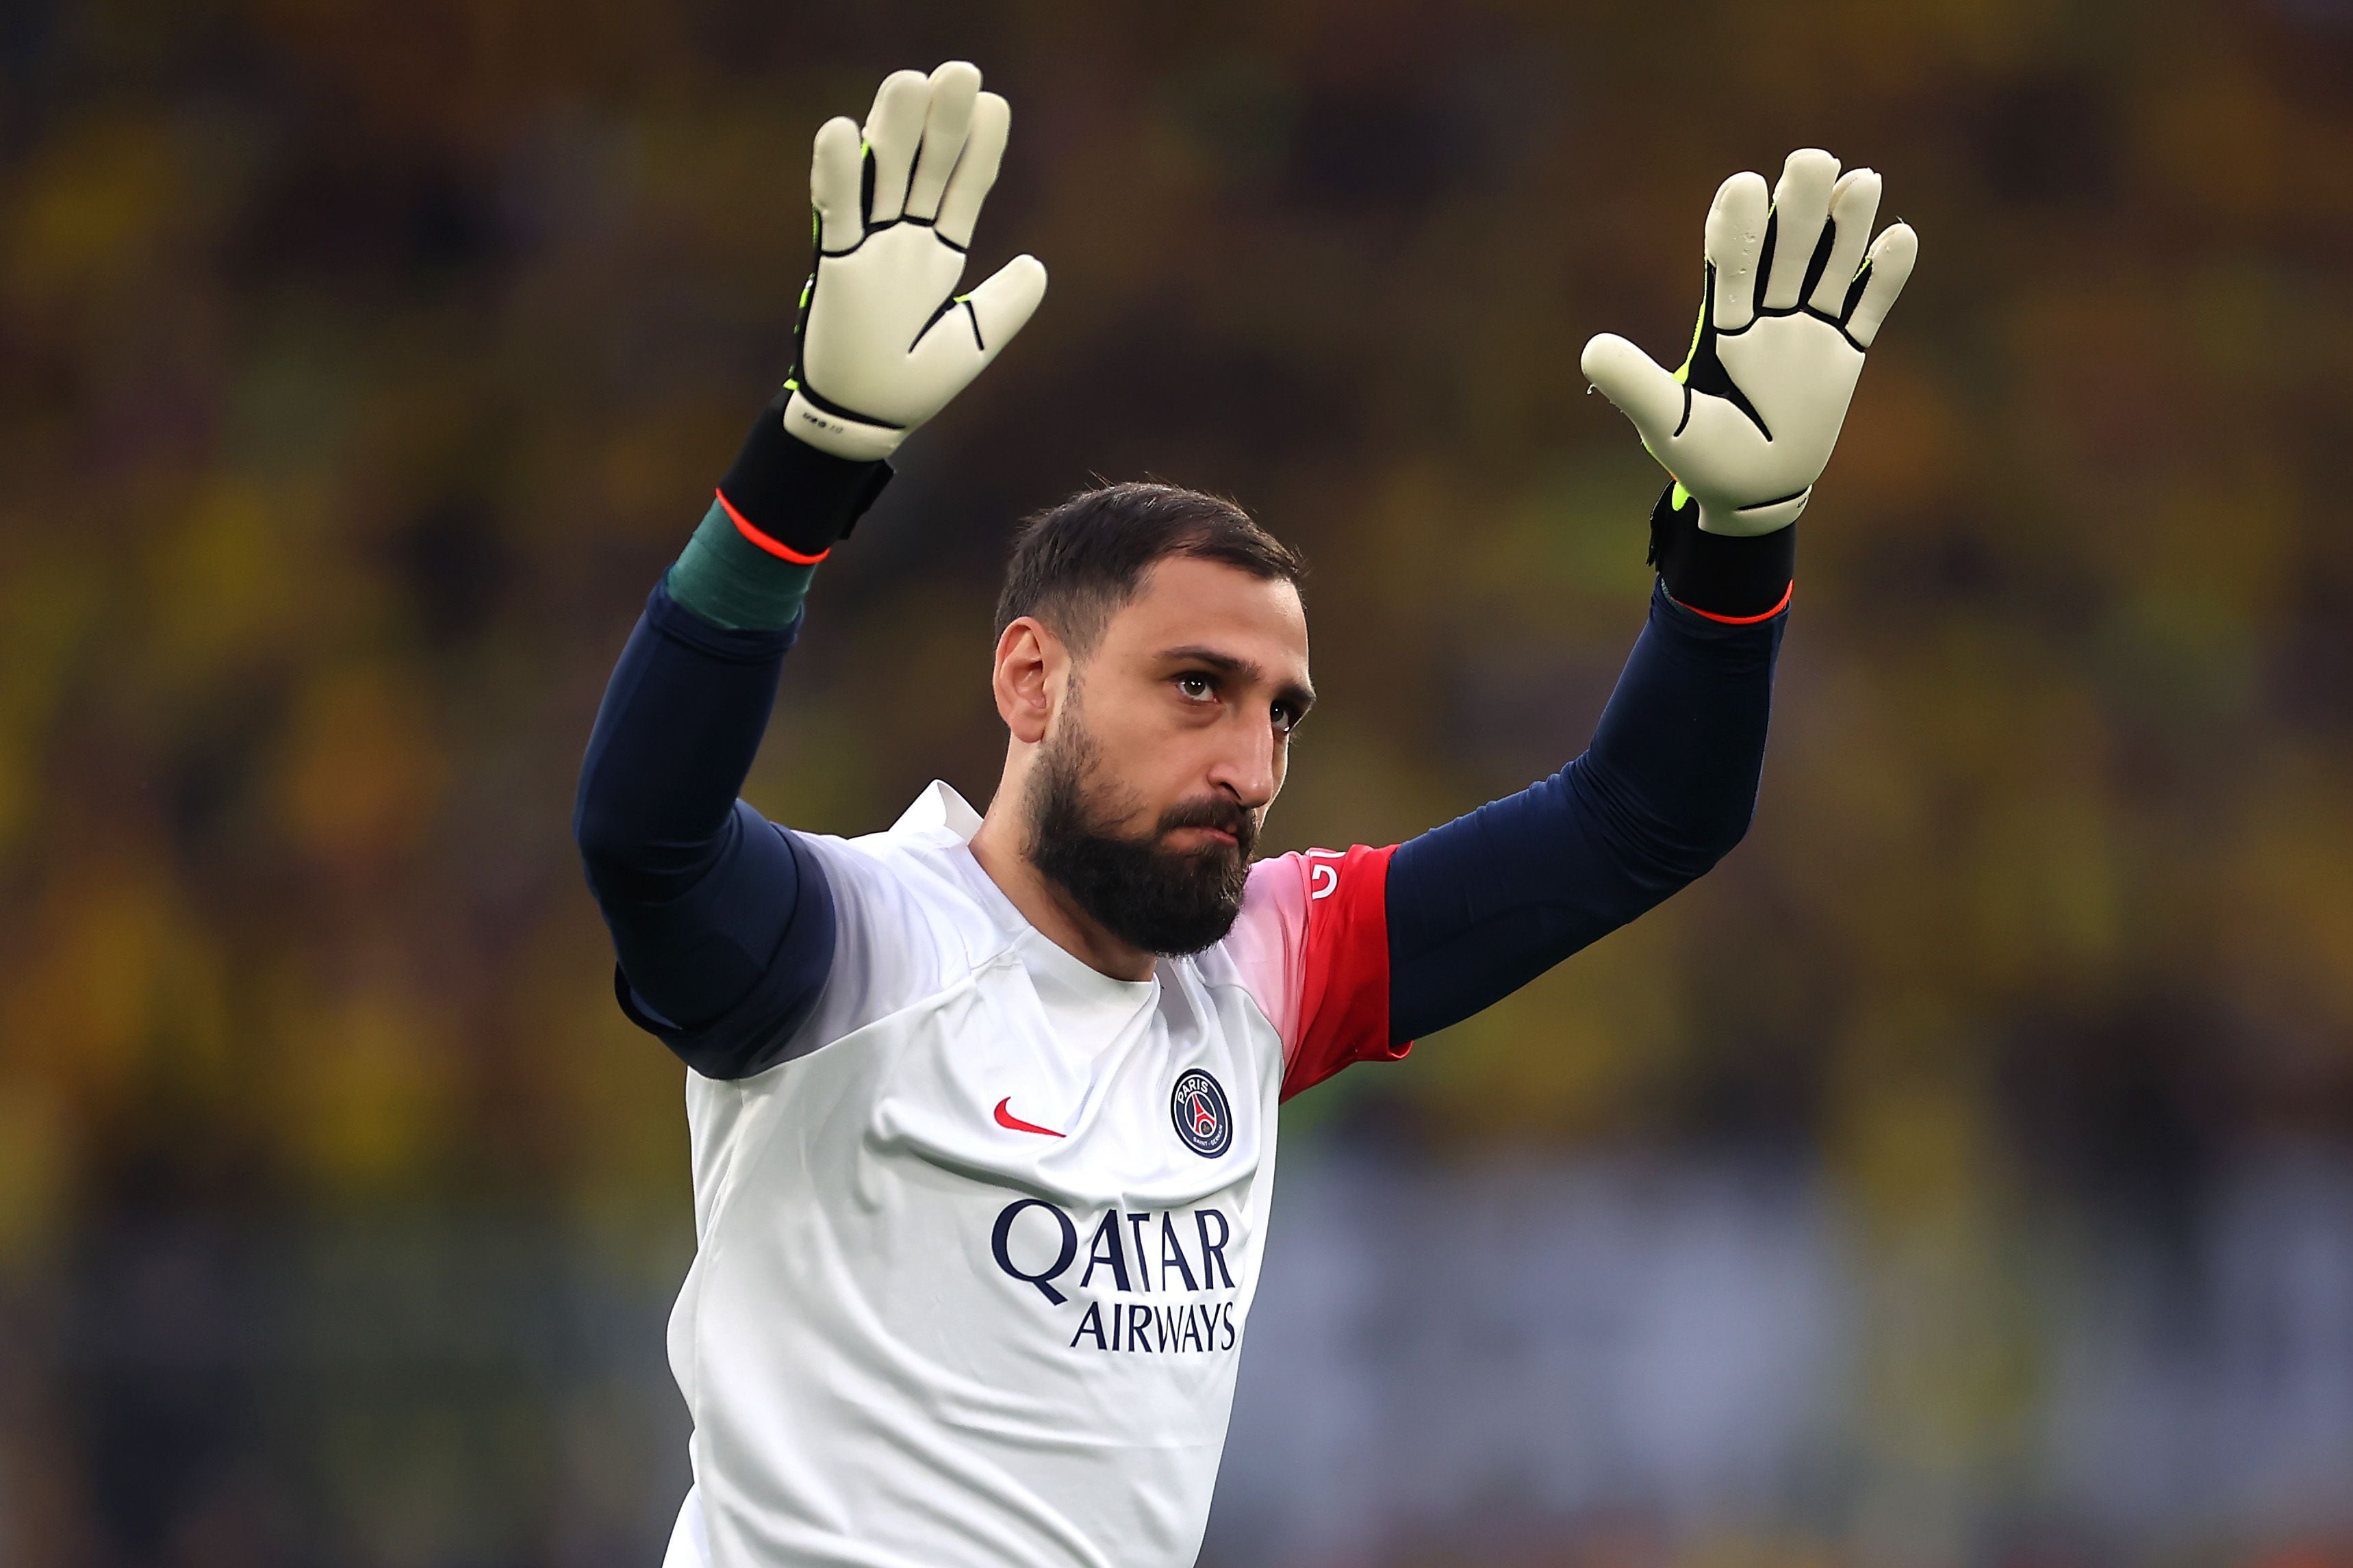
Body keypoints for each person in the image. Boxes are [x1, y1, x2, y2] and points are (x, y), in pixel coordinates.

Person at [572, 60, 1917, 1568]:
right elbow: (645, 834)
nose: (1253, 764)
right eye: (1197, 687)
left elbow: (1645, 819)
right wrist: (810, 455)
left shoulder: (1251, 980)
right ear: (1034, 681)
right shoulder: (852, 951)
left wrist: (1735, 544)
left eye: (1283, 712)